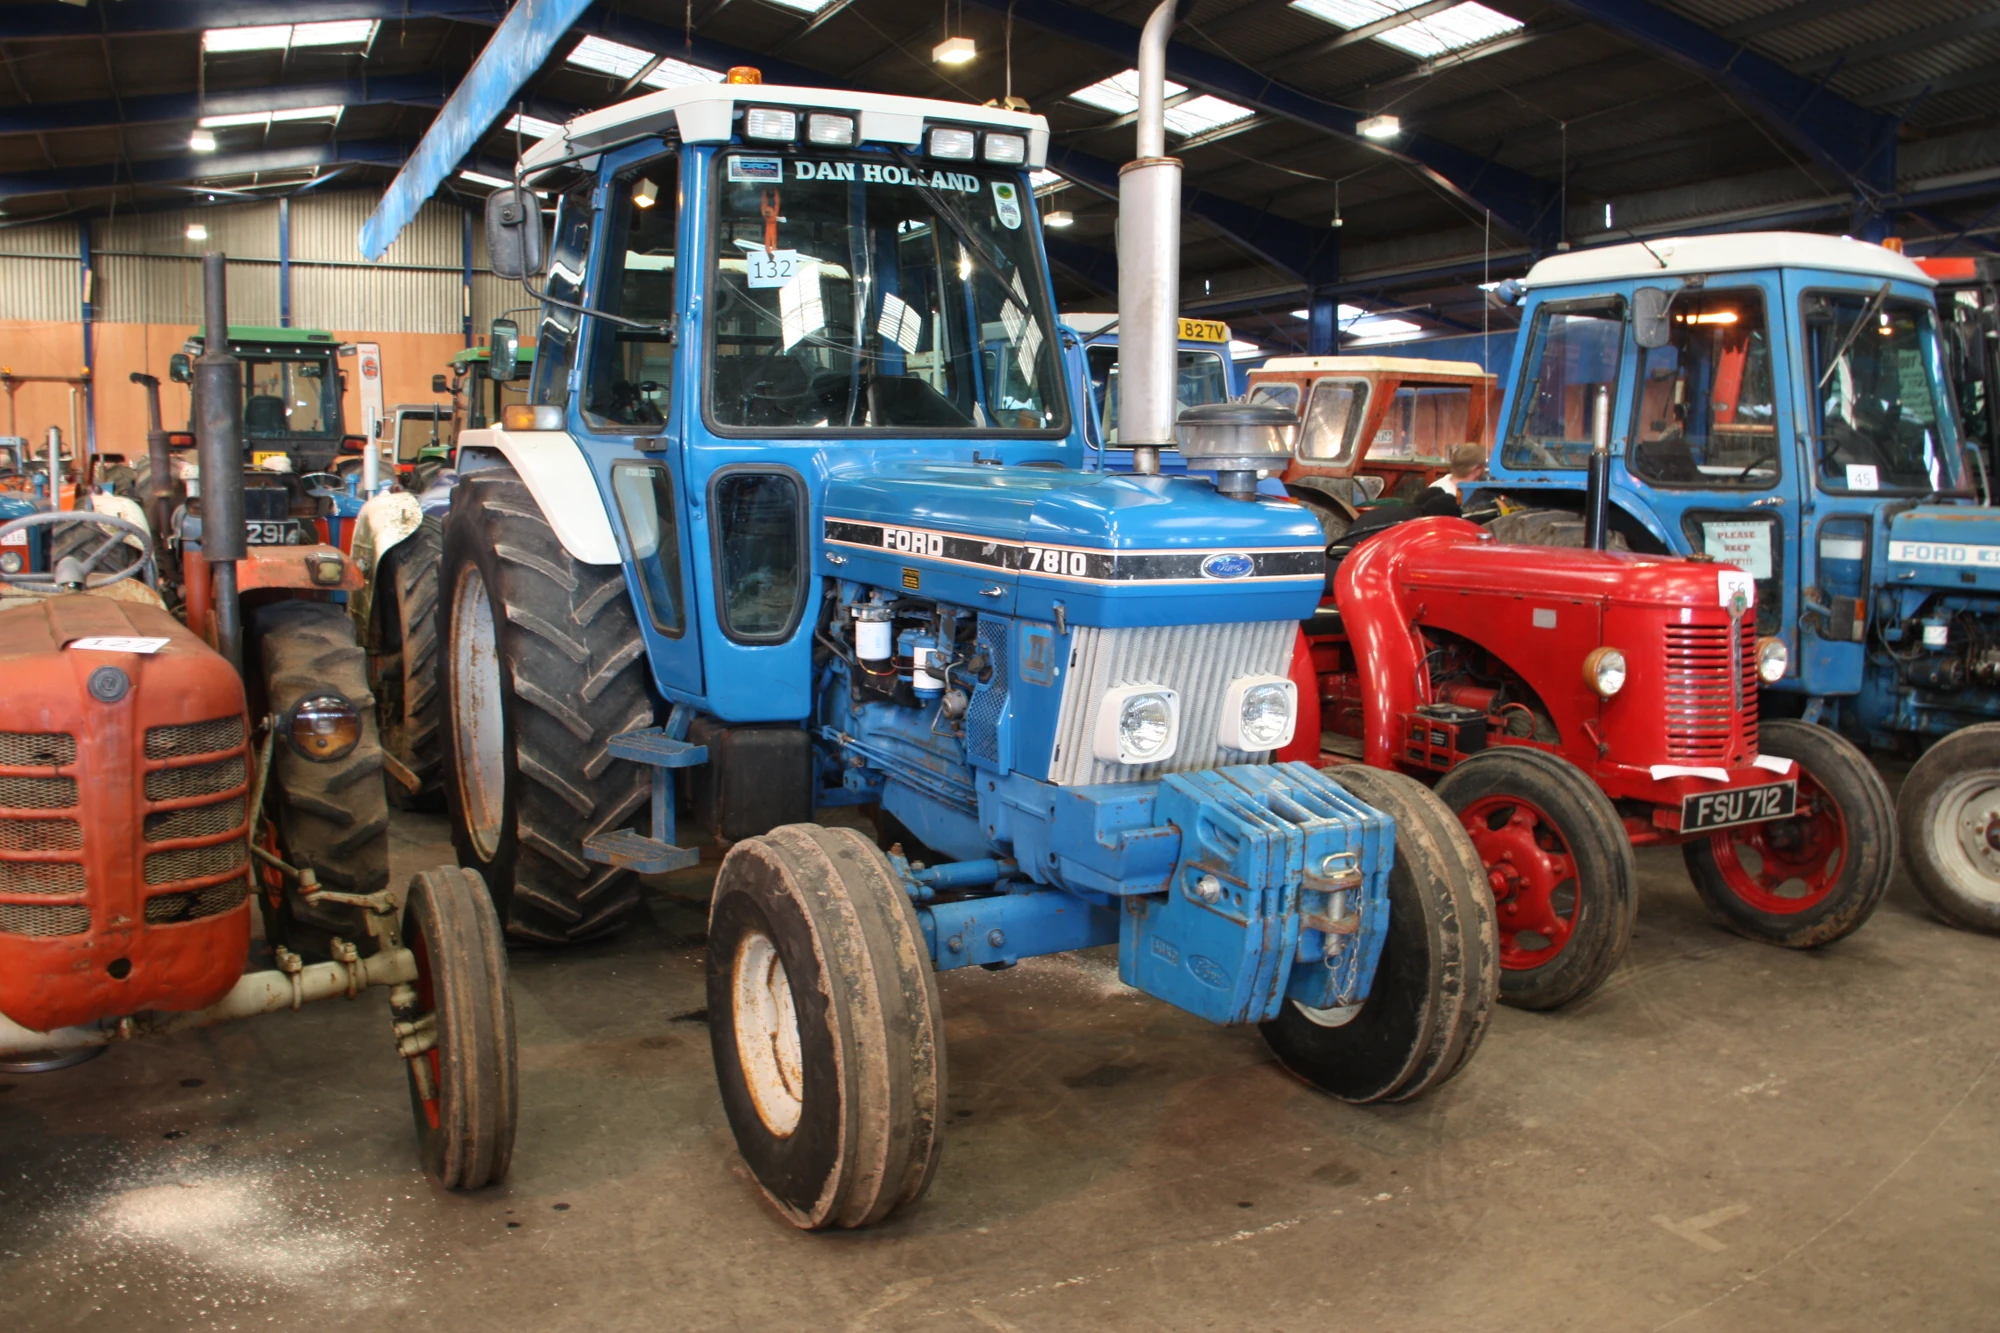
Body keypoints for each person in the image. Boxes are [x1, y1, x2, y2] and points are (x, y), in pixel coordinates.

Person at [1412, 443, 1488, 517]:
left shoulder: (1443, 483)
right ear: (1475, 469)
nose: (1485, 470)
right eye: (1484, 466)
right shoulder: (1442, 498)